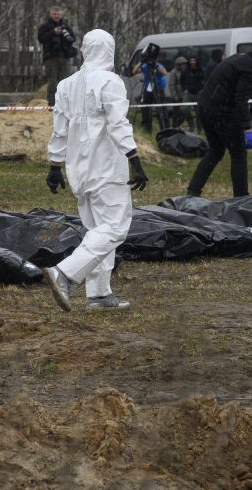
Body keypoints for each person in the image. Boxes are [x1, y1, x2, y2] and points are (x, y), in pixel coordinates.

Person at [42, 28, 147, 312]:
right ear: (109, 50)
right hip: (107, 167)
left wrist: (55, 165)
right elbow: (118, 124)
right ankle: (63, 273)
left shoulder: (66, 85)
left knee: (97, 231)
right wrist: (134, 159)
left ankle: (99, 294)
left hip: (80, 170)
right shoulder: (110, 81)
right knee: (114, 227)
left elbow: (59, 130)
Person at [185, 48, 252, 197]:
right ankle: (241, 196)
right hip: (221, 110)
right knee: (238, 153)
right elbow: (241, 99)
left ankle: (192, 191)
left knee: (215, 151)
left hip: (205, 107)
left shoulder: (242, 58)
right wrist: (247, 128)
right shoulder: (250, 69)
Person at [37, 6, 77, 107]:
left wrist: (65, 35)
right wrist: (53, 33)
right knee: (53, 81)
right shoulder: (45, 26)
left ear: (61, 15)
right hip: (51, 57)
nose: (56, 16)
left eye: (58, 14)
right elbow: (41, 38)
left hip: (65, 57)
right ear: (51, 15)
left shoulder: (66, 27)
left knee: (65, 81)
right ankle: (52, 104)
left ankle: (65, 104)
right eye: (54, 14)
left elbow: (73, 39)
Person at [131, 44, 169, 132]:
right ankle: (146, 128)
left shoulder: (158, 64)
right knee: (146, 108)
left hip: (159, 88)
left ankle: (165, 128)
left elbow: (164, 72)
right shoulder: (145, 66)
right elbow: (134, 71)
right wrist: (142, 61)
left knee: (162, 109)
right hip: (148, 88)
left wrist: (154, 64)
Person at [180, 55, 205, 132]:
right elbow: (182, 80)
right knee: (185, 109)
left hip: (199, 93)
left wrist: (203, 89)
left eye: (194, 60)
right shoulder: (185, 71)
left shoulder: (202, 70)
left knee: (199, 113)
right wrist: (184, 89)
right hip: (188, 93)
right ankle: (191, 125)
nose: (192, 62)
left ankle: (199, 128)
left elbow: (206, 80)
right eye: (191, 61)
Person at [166, 55, 191, 129]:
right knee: (176, 112)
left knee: (184, 111)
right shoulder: (174, 72)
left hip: (185, 95)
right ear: (178, 65)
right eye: (181, 64)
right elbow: (172, 85)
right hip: (177, 96)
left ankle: (181, 124)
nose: (183, 66)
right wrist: (175, 96)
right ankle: (175, 126)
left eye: (185, 64)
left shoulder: (187, 71)